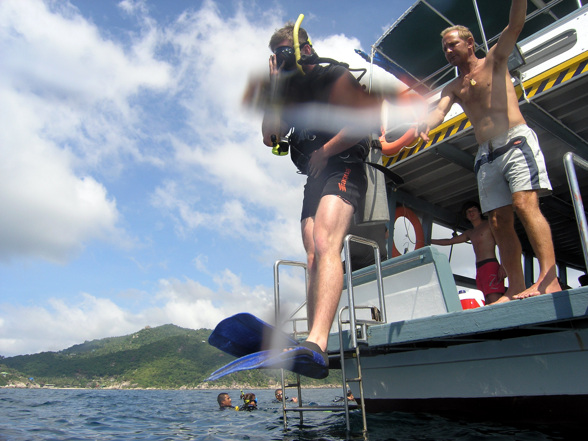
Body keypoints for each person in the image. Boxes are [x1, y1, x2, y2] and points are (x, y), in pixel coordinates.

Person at [419, 0, 560, 302]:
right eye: (444, 47)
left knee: (524, 205)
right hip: (485, 154)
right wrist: (424, 125)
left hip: (515, 141)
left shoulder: (495, 60)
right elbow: (439, 113)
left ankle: (550, 279)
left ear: (469, 43)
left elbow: (515, 26)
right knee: (498, 222)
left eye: (452, 44)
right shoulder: (454, 86)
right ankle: (517, 287)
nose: (447, 51)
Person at [262, 22, 382, 368]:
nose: (284, 59)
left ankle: (317, 341)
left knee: (326, 240)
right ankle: (315, 340)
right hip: (315, 176)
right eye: (278, 56)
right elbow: (271, 136)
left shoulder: (336, 76)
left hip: (343, 164)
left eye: (289, 51)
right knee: (313, 254)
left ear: (306, 48)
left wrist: (326, 150)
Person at [431, 201, 505, 304]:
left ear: (479, 211)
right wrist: (428, 240)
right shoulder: (470, 233)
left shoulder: (489, 225)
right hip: (479, 268)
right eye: (468, 212)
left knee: (494, 298)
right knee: (485, 300)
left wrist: (503, 265)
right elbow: (449, 241)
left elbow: (503, 244)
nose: (471, 213)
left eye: (473, 210)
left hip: (491, 265)